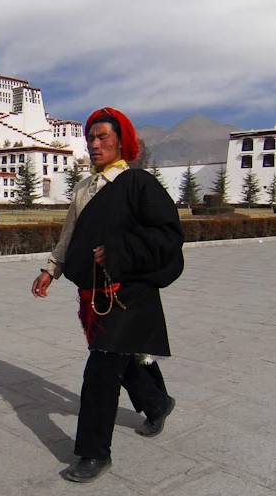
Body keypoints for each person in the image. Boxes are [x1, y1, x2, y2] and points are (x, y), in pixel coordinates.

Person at [31, 107, 184, 483]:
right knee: (124, 355)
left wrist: (119, 250)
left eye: (102, 137)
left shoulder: (139, 184)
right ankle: (158, 402)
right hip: (97, 294)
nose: (94, 144)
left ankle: (93, 452)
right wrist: (51, 269)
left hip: (131, 290)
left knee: (101, 368)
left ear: (121, 141)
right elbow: (70, 236)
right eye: (91, 138)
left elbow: (168, 235)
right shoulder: (84, 188)